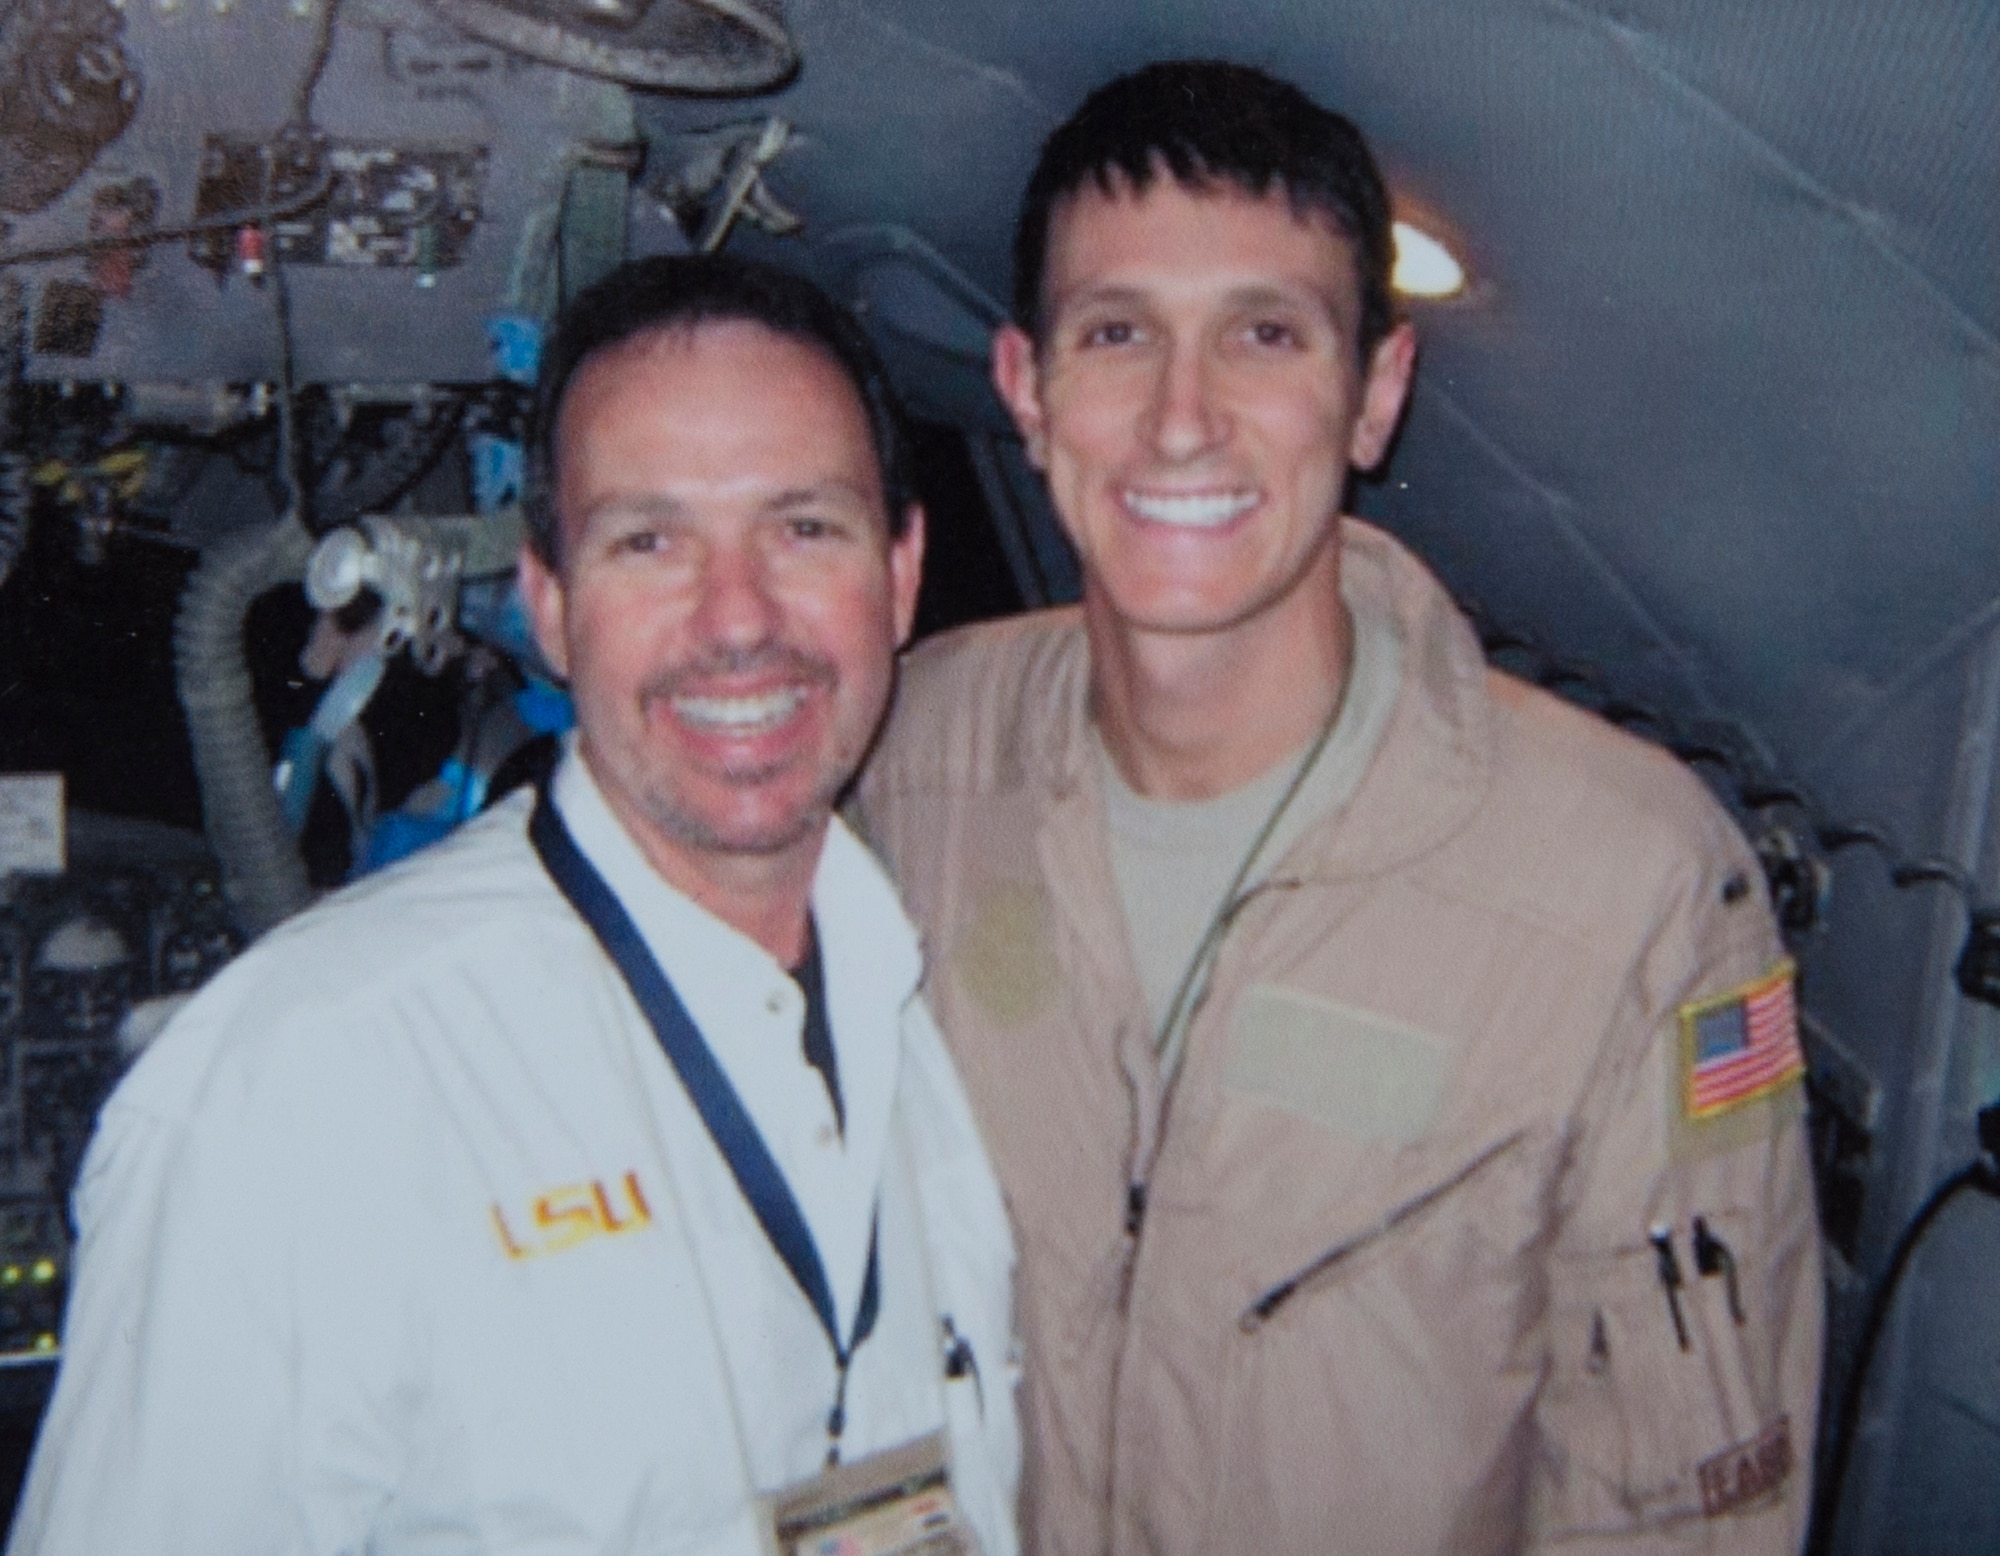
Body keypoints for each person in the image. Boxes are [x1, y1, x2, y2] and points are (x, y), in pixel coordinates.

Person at [856, 60, 1821, 1555]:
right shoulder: (899, 757)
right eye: (1117, 334)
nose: (1184, 422)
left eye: (1265, 334)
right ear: (1027, 394)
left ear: (1374, 396)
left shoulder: (1629, 888)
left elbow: (1685, 1513)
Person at [10, 254, 1020, 1555]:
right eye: (648, 539)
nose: (737, 619)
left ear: (901, 571)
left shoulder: (938, 1004)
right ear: (549, 602)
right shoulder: (301, 1083)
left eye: (803, 527)